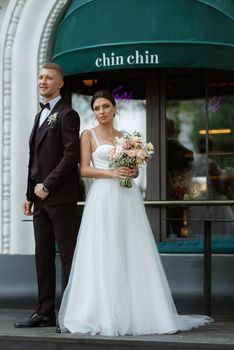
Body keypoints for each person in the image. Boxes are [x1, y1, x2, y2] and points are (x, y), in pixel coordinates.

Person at [57, 90, 213, 336]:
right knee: (104, 248)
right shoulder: (87, 135)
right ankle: (101, 311)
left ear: (114, 107)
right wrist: (112, 173)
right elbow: (85, 170)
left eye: (106, 106)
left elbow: (135, 170)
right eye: (97, 108)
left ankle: (137, 310)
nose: (101, 112)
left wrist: (131, 172)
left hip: (127, 198)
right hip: (102, 199)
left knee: (130, 247)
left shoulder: (126, 137)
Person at [14, 63, 81, 329]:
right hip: (39, 198)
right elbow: (34, 159)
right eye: (40, 77)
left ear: (60, 83)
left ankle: (72, 313)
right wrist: (29, 193)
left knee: (67, 256)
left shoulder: (68, 114)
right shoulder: (39, 115)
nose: (43, 81)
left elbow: (71, 156)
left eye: (49, 78)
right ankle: (44, 312)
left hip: (60, 197)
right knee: (42, 255)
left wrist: (48, 185)